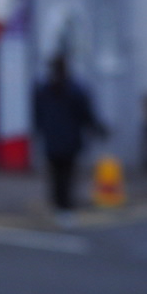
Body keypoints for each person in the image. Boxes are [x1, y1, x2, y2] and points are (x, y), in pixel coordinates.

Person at [33, 55, 107, 221]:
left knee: (55, 174)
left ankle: (58, 205)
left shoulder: (44, 89)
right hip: (70, 140)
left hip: (52, 139)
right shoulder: (75, 89)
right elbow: (86, 114)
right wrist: (99, 129)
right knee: (66, 174)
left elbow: (37, 114)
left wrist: (40, 130)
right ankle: (65, 208)